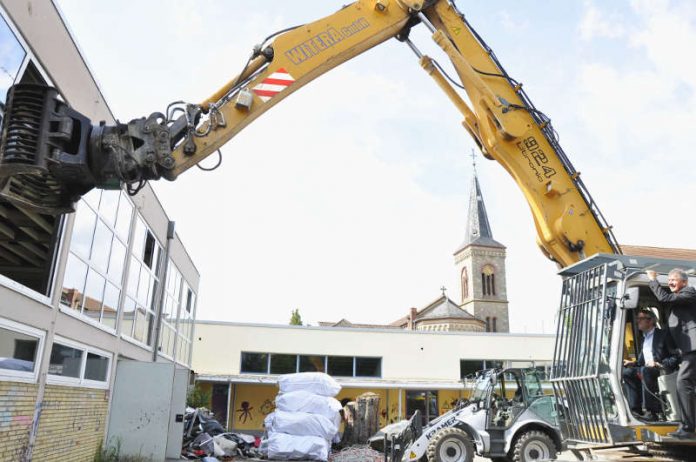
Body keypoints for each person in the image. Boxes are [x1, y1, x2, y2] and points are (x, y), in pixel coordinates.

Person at [647, 268, 696, 438]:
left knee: (683, 383)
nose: (670, 282)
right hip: (686, 350)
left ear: (684, 282)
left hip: (694, 348)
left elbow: (663, 297)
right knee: (684, 384)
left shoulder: (689, 292)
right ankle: (686, 426)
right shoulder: (678, 301)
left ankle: (688, 428)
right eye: (668, 280)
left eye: (674, 279)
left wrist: (653, 279)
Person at [622, 308, 678, 421]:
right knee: (627, 373)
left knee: (645, 371)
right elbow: (642, 362)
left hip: (661, 369)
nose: (637, 321)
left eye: (640, 319)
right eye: (637, 319)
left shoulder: (663, 335)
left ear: (651, 321)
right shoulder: (645, 338)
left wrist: (659, 363)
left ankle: (652, 411)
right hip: (646, 369)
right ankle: (635, 409)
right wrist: (632, 363)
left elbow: (676, 357)